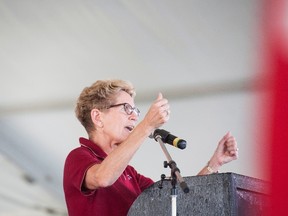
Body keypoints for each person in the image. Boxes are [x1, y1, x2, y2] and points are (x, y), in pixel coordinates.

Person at [63, 79, 239, 216]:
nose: (134, 117)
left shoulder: (129, 173)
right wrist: (146, 125)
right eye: (126, 108)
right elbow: (103, 178)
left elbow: (178, 199)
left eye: (135, 111)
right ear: (97, 117)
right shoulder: (78, 157)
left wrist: (214, 164)